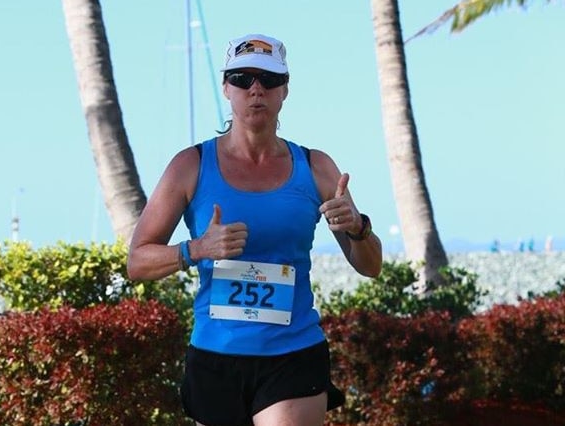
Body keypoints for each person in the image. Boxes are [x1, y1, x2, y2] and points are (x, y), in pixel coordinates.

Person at [127, 33, 383, 426]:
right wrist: (195, 249)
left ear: (285, 91)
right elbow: (137, 262)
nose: (256, 90)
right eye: (243, 79)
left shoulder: (316, 167)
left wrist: (358, 228)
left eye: (268, 79)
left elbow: (370, 265)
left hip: (293, 353)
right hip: (216, 356)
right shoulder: (190, 165)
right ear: (227, 88)